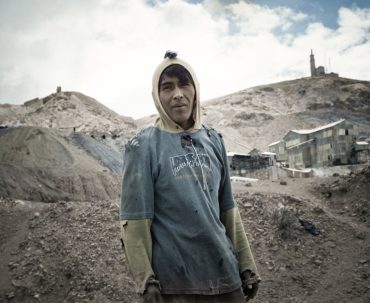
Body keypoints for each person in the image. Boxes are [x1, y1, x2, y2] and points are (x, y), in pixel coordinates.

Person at [120, 51, 260, 303]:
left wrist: (246, 264)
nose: (177, 94)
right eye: (167, 87)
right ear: (157, 95)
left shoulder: (214, 140)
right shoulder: (143, 146)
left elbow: (228, 209)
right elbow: (136, 221)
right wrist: (145, 280)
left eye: (184, 84)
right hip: (176, 284)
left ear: (195, 90)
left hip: (225, 276)